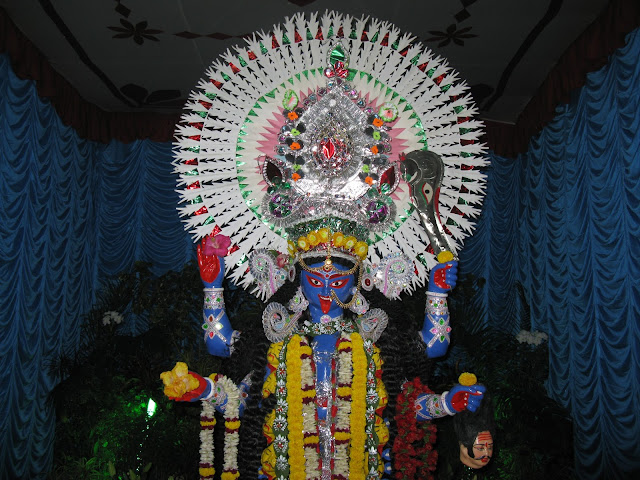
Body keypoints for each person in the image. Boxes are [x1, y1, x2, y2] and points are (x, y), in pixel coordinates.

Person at [161, 11, 488, 480]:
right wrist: (211, 295)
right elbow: (228, 365)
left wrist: (437, 300)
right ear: (296, 276)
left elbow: (423, 372)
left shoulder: (374, 339)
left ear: (361, 279)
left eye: (339, 279)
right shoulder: (279, 337)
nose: (329, 288)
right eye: (316, 278)